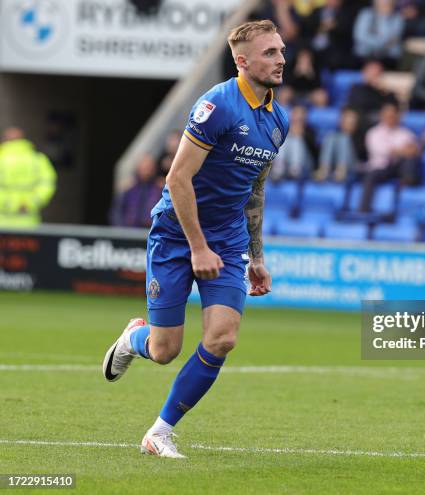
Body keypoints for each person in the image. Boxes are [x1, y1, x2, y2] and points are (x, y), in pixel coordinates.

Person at [102, 20, 289, 458]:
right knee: (165, 350)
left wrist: (255, 257)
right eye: (269, 53)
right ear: (242, 62)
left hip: (226, 238)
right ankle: (135, 339)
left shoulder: (279, 120)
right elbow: (178, 177)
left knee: (223, 337)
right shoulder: (217, 105)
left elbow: (255, 190)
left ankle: (159, 432)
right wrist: (197, 246)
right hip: (176, 233)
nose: (281, 60)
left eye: (281, 51)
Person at [359, 102, 420, 211]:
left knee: (410, 161)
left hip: (398, 167)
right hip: (380, 167)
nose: (390, 118)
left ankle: (407, 190)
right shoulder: (373, 133)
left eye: (393, 115)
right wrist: (401, 150)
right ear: (382, 116)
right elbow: (381, 150)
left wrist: (399, 151)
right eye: (388, 115)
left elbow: (414, 150)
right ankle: (364, 208)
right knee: (371, 176)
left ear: (398, 116)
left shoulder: (405, 133)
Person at [0, 127, 56, 227]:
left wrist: (8, 204)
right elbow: (47, 184)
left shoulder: (2, 158)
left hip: (3, 219)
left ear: (4, 140)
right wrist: (31, 203)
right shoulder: (38, 159)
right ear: (23, 139)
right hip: (29, 220)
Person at [112, 154, 163, 228]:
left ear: (154, 169)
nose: (147, 170)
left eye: (149, 167)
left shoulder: (159, 188)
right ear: (138, 168)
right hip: (128, 231)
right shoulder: (128, 188)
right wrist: (121, 230)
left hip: (152, 232)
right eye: (144, 167)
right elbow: (116, 213)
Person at [352, 0, 405, 69]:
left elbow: (394, 39)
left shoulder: (398, 17)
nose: (385, 4)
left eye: (388, 2)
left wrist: (384, 18)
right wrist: (381, 43)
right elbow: (360, 36)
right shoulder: (366, 14)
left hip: (388, 57)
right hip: (364, 55)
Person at [271, 105, 318, 181]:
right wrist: (288, 132)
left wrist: (303, 134)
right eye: (296, 113)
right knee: (285, 139)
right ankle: (278, 168)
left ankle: (295, 169)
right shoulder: (284, 127)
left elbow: (314, 151)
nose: (298, 117)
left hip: (305, 163)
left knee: (296, 139)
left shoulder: (310, 130)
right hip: (286, 162)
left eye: (301, 114)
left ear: (305, 116)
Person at [314, 107, 360, 182]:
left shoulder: (359, 137)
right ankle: (324, 169)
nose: (349, 123)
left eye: (351, 122)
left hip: (353, 167)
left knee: (345, 138)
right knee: (330, 136)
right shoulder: (335, 137)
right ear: (341, 122)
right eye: (346, 120)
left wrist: (349, 137)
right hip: (334, 166)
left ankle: (341, 170)